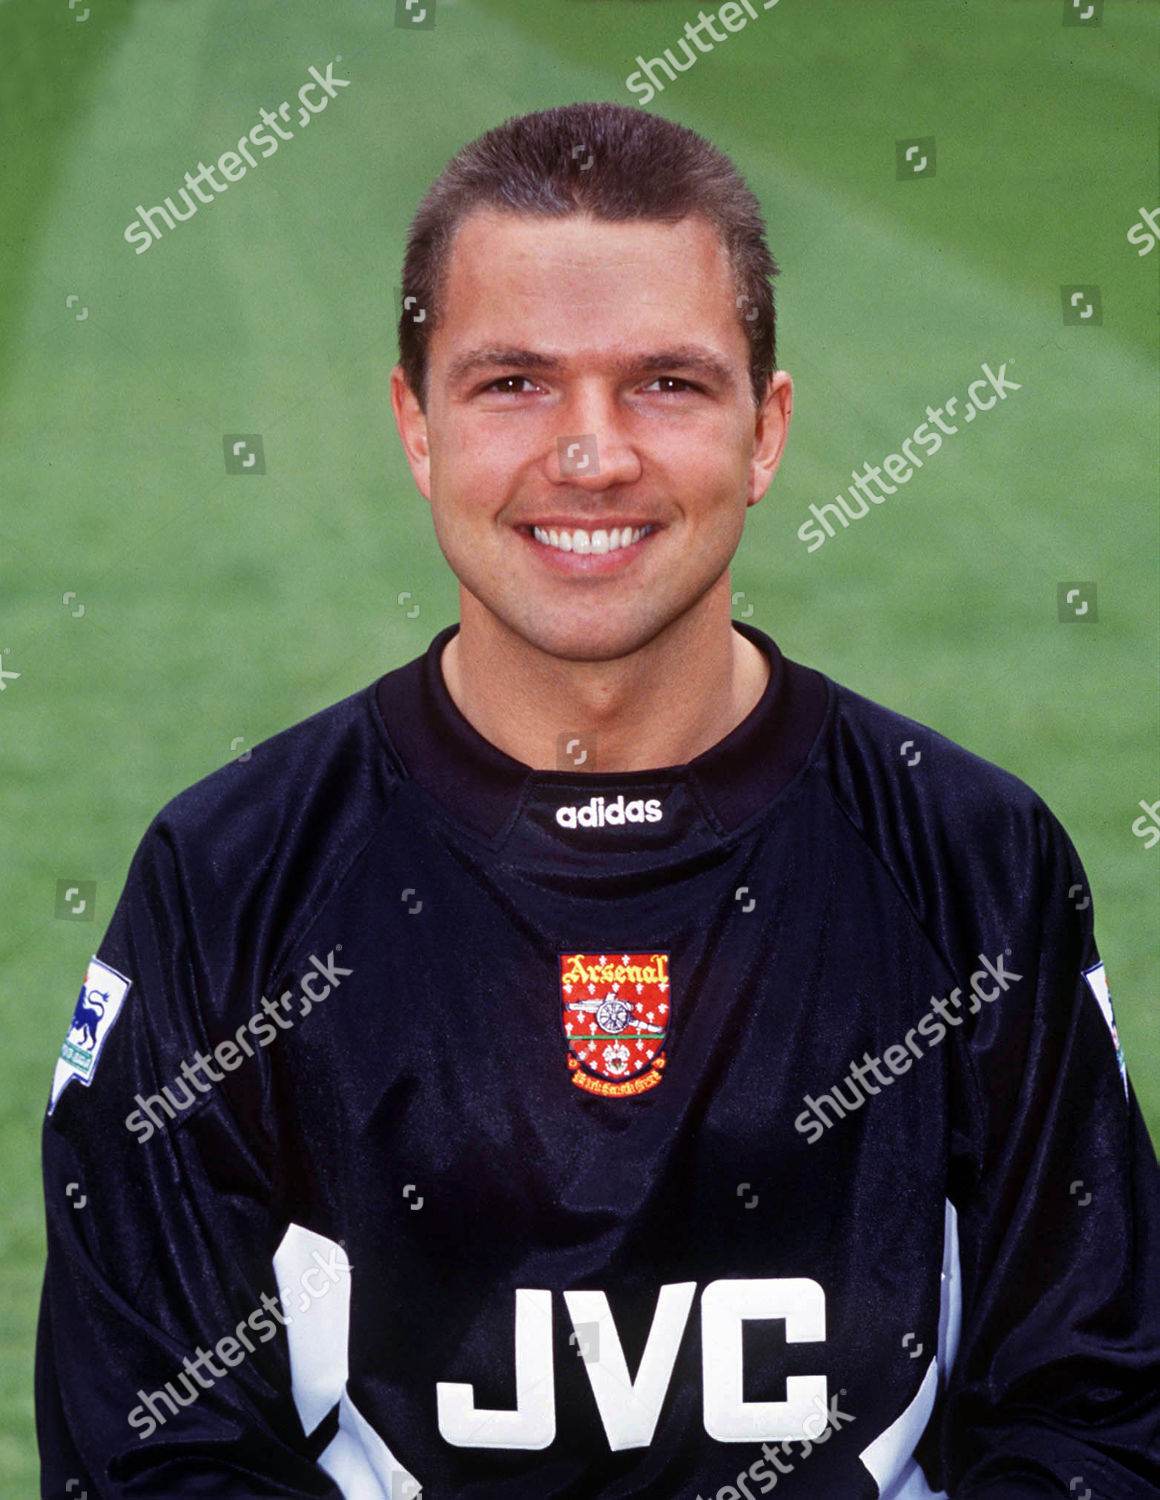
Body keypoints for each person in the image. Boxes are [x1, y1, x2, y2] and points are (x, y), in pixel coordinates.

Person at [37, 100, 1160, 1498]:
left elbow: (1095, 1418)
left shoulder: (972, 859)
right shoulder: (229, 877)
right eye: (513, 382)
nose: (591, 453)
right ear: (416, 425)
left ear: (768, 429)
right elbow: (149, 1454)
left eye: (666, 384)